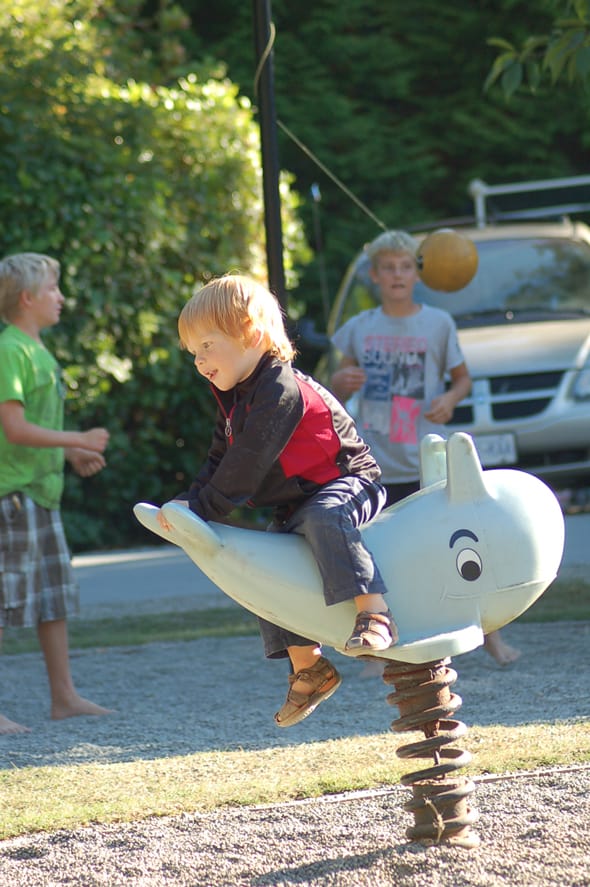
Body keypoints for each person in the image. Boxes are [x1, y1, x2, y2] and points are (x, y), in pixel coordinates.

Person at [156, 273, 397, 728]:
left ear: (250, 333)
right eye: (194, 353)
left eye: (207, 346)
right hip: (296, 501)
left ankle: (374, 613)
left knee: (327, 516)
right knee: (267, 563)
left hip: (346, 482)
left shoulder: (279, 390)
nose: (200, 361)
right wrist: (189, 504)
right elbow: (219, 457)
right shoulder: (234, 397)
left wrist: (204, 509)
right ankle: (309, 667)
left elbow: (247, 463)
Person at [330, 230, 520, 667]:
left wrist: (449, 401)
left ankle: (491, 637)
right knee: (375, 551)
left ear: (417, 273)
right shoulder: (359, 328)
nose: (396, 275)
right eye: (387, 268)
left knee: (462, 543)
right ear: (374, 276)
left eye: (404, 267)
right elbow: (339, 386)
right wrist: (343, 384)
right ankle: (377, 648)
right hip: (375, 461)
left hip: (427, 456)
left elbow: (462, 379)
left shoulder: (438, 324)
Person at [0, 252, 112, 735]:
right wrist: (77, 440)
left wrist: (67, 455)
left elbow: (31, 429)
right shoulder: (10, 350)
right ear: (27, 299)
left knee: (54, 600)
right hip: (13, 498)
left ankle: (64, 697)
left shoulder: (36, 350)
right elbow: (14, 428)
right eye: (52, 289)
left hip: (40, 495)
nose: (60, 297)